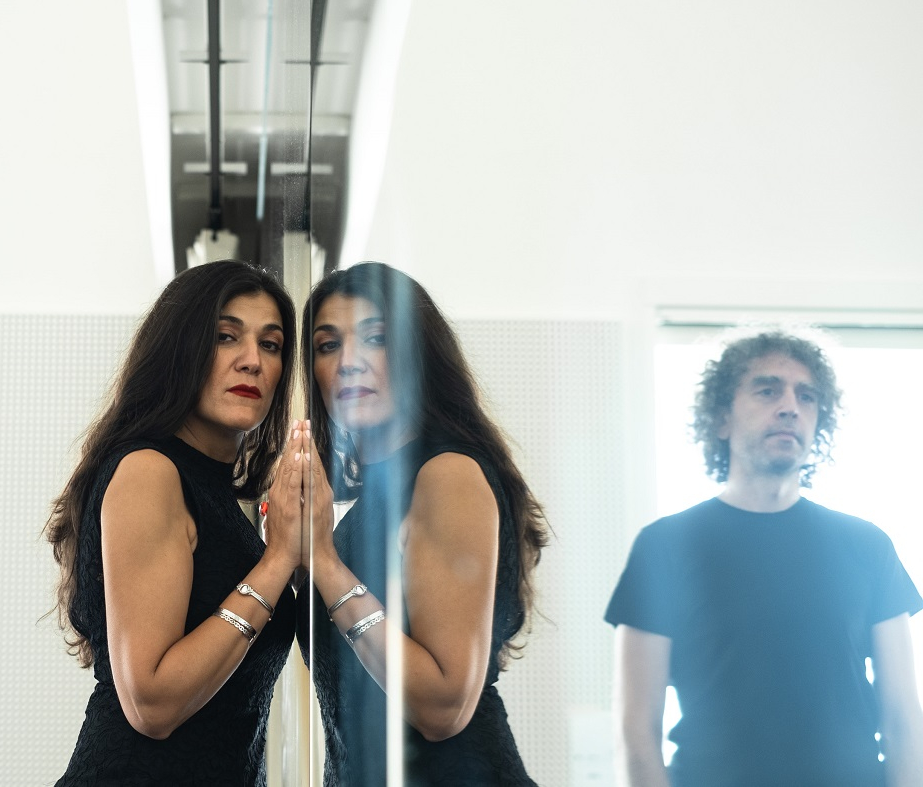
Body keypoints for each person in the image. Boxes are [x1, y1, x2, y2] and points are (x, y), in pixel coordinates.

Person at [607, 330, 923, 787]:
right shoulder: (664, 546)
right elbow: (636, 729)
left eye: (806, 396)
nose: (791, 406)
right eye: (768, 390)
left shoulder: (867, 544)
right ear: (722, 419)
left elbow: (904, 719)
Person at [46, 260, 305, 786]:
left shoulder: (222, 497)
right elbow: (152, 704)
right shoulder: (150, 471)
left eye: (270, 344)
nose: (252, 360)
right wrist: (278, 560)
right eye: (226, 337)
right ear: (180, 350)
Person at [298, 261, 548, 786]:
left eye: (376, 339)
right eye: (328, 345)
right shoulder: (367, 507)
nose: (349, 362)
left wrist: (323, 562)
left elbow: (443, 707)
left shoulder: (446, 474)